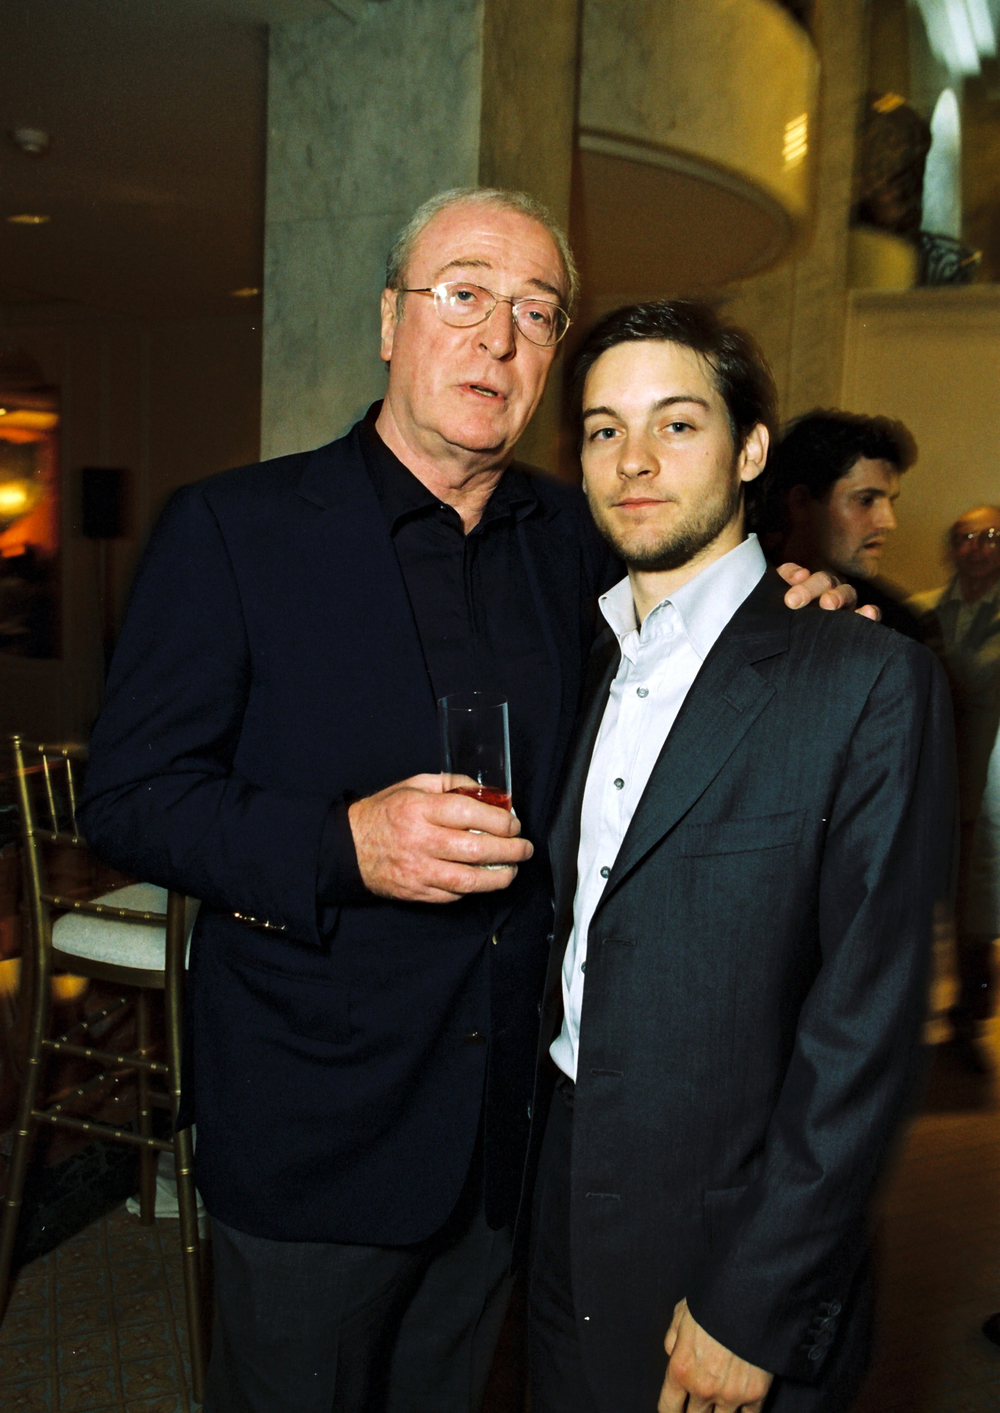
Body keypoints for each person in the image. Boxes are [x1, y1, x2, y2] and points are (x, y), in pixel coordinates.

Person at [78, 188, 861, 1413]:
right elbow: (125, 797)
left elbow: (704, 615)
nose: (497, 337)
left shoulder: (583, 536)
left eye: (536, 312)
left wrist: (789, 601)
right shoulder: (235, 530)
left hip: (511, 1138)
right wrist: (342, 843)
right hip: (315, 1132)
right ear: (391, 322)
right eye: (463, 295)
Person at [527, 301, 955, 1413]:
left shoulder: (862, 681)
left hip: (727, 1240)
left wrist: (754, 1303)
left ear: (750, 449)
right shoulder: (580, 658)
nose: (632, 462)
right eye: (602, 429)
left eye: (676, 425)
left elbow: (863, 1034)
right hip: (562, 1198)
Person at [911, 505, 1000, 1068]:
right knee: (930, 902)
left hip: (988, 781)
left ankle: (970, 1019)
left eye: (990, 535)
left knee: (975, 909)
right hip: (934, 776)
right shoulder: (923, 612)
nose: (977, 546)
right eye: (965, 537)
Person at [766, 408, 922, 638]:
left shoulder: (897, 625)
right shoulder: (737, 590)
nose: (889, 522)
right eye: (865, 500)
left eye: (891, 502)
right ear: (801, 503)